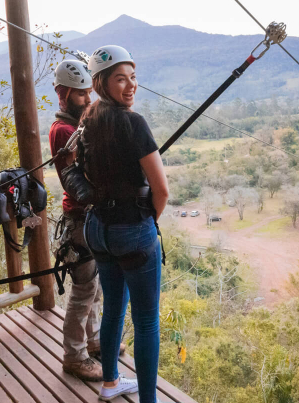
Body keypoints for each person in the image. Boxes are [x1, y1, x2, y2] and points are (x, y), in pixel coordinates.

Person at [80, 45, 169, 403]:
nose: (130, 85)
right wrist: (146, 222)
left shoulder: (89, 118)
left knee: (114, 306)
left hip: (97, 228)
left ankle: (111, 382)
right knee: (146, 320)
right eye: (121, 79)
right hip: (130, 229)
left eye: (133, 77)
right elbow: (160, 190)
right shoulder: (134, 123)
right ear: (102, 82)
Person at [49, 59, 124, 382]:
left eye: (88, 93)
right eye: (81, 94)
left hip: (87, 214)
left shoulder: (75, 124)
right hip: (80, 216)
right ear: (64, 93)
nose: (87, 99)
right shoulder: (64, 130)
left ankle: (92, 341)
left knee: (93, 288)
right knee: (83, 290)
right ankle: (74, 355)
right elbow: (77, 176)